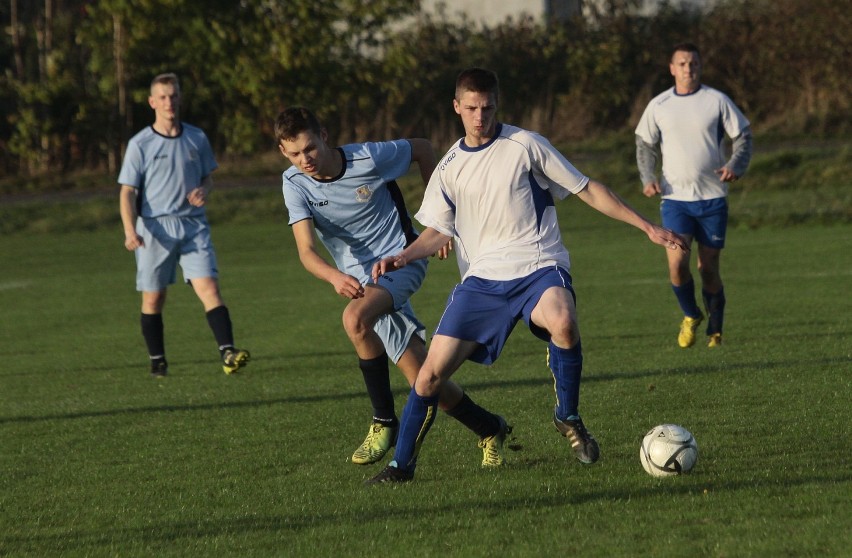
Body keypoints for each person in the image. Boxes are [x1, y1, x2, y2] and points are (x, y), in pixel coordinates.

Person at [366, 67, 690, 484]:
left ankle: (568, 417)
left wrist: (648, 226)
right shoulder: (448, 167)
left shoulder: (525, 145)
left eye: (487, 107)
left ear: (497, 104)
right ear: (456, 108)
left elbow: (587, 188)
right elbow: (439, 230)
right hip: (482, 283)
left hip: (538, 266)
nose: (480, 117)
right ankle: (400, 468)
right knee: (428, 375)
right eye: (471, 109)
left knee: (564, 321)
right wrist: (404, 256)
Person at [274, 107, 511, 467]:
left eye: (309, 148)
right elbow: (306, 251)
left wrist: (440, 217)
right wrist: (336, 276)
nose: (304, 159)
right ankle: (490, 427)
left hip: (402, 262)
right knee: (423, 378)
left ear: (324, 134)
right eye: (294, 153)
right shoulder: (293, 183)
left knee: (355, 319)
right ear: (283, 153)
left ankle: (384, 421)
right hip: (360, 283)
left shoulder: (368, 157)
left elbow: (423, 148)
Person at [118, 73, 250, 377]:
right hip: (154, 229)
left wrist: (205, 189)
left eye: (174, 95)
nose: (169, 102)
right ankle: (158, 361)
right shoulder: (140, 144)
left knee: (209, 287)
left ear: (180, 98)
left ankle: (228, 353)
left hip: (193, 225)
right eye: (162, 97)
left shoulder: (196, 137)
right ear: (152, 102)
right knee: (154, 297)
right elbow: (126, 191)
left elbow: (208, 176)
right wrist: (129, 230)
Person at [635, 42, 752, 349]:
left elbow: (743, 137)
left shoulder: (716, 101)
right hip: (675, 199)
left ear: (700, 67)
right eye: (683, 63)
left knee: (708, 268)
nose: (689, 68)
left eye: (694, 63)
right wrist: (648, 178)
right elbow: (644, 144)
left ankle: (716, 328)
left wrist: (735, 165)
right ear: (672, 68)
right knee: (676, 264)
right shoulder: (659, 105)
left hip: (713, 199)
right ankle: (691, 315)